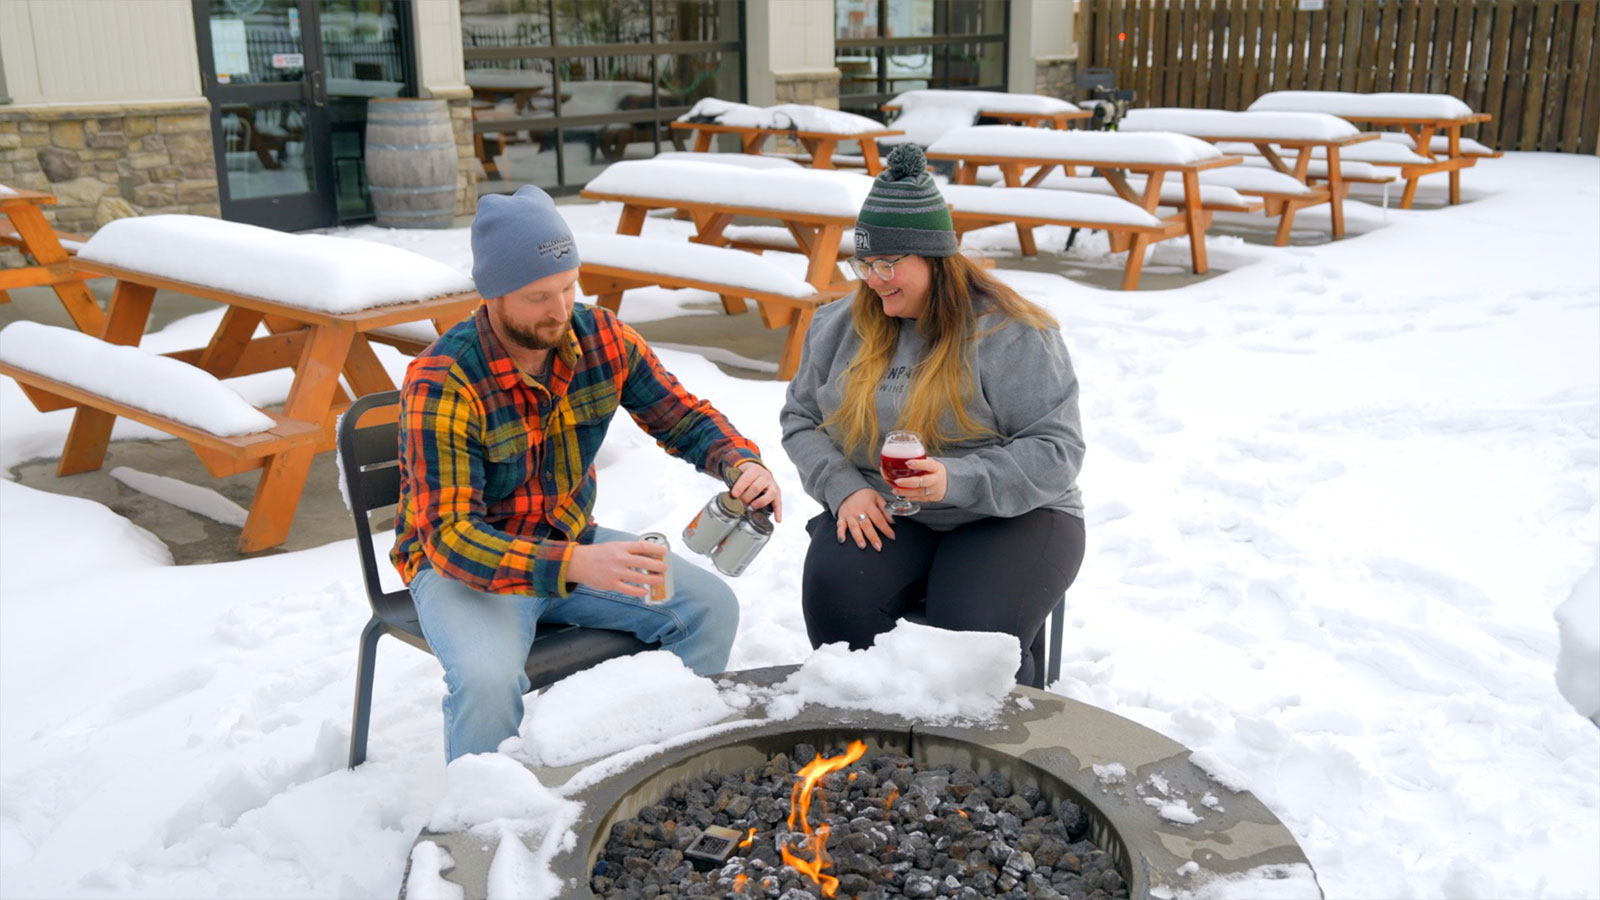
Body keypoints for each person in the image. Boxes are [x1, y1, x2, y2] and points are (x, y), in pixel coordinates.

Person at [392, 185, 782, 762]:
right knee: (487, 681)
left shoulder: (600, 337)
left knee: (709, 609)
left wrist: (740, 461)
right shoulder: (443, 380)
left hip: (570, 542)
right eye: (538, 296)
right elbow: (450, 538)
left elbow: (682, 417)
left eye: (570, 286)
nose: (559, 310)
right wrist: (574, 564)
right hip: (468, 572)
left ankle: (652, 763)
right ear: (493, 294)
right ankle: (477, 828)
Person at [780, 144, 1086, 686]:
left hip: (1014, 514)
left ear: (934, 258)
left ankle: (1012, 749)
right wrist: (844, 487)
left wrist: (954, 478)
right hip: (891, 508)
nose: (873, 280)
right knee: (837, 598)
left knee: (969, 642)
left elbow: (1057, 451)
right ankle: (875, 749)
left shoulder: (1010, 332)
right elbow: (800, 419)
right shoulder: (838, 326)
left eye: (888, 264)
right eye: (864, 263)